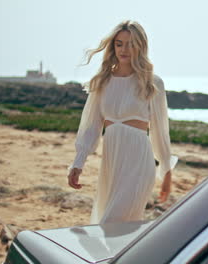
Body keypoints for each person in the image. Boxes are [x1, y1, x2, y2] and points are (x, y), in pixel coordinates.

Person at [67, 20, 176, 224]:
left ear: (141, 46)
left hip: (139, 162)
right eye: (119, 43)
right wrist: (78, 163)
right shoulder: (102, 81)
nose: (124, 49)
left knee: (112, 223)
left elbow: (160, 132)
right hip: (111, 162)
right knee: (114, 225)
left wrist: (167, 172)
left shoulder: (152, 82)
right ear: (113, 46)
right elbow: (91, 125)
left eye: (131, 44)